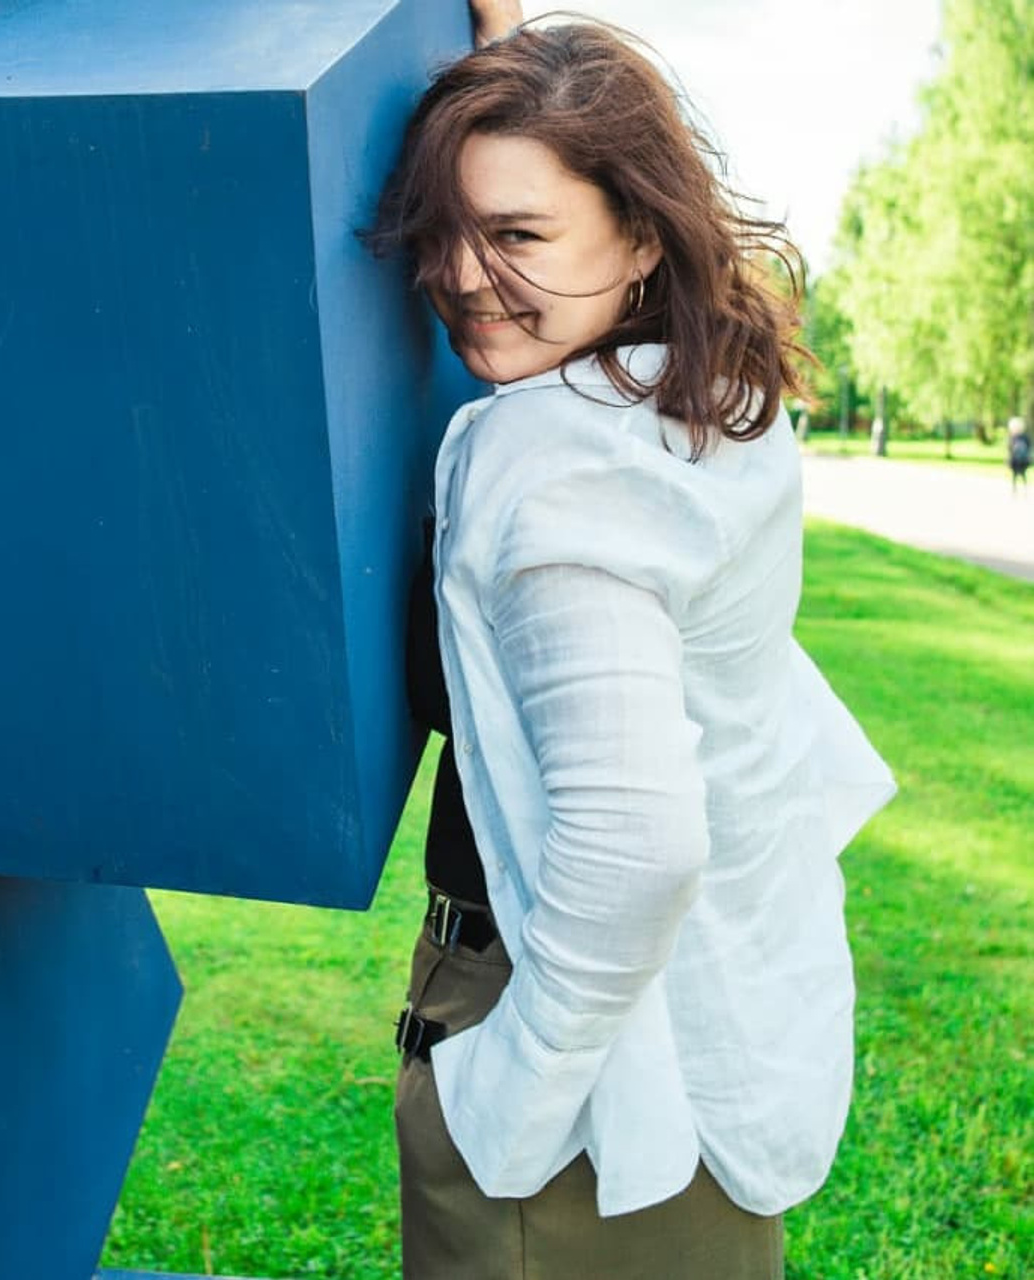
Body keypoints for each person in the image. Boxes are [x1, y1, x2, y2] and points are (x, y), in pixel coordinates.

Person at [368, 4, 897, 1278]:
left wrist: (510, 1085)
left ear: (641, 234)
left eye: (515, 235)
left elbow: (634, 847)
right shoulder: (697, 403)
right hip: (712, 1029)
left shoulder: (554, 469)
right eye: (442, 235)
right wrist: (504, 36)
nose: (458, 274)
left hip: (583, 1088)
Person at [1008, 416, 1030, 493]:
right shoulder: (1012, 437)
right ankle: (1014, 488)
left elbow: (1028, 447)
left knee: (1023, 474)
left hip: (1022, 459)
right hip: (1015, 459)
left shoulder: (1024, 437)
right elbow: (1010, 449)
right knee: (1015, 475)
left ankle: (1024, 488)